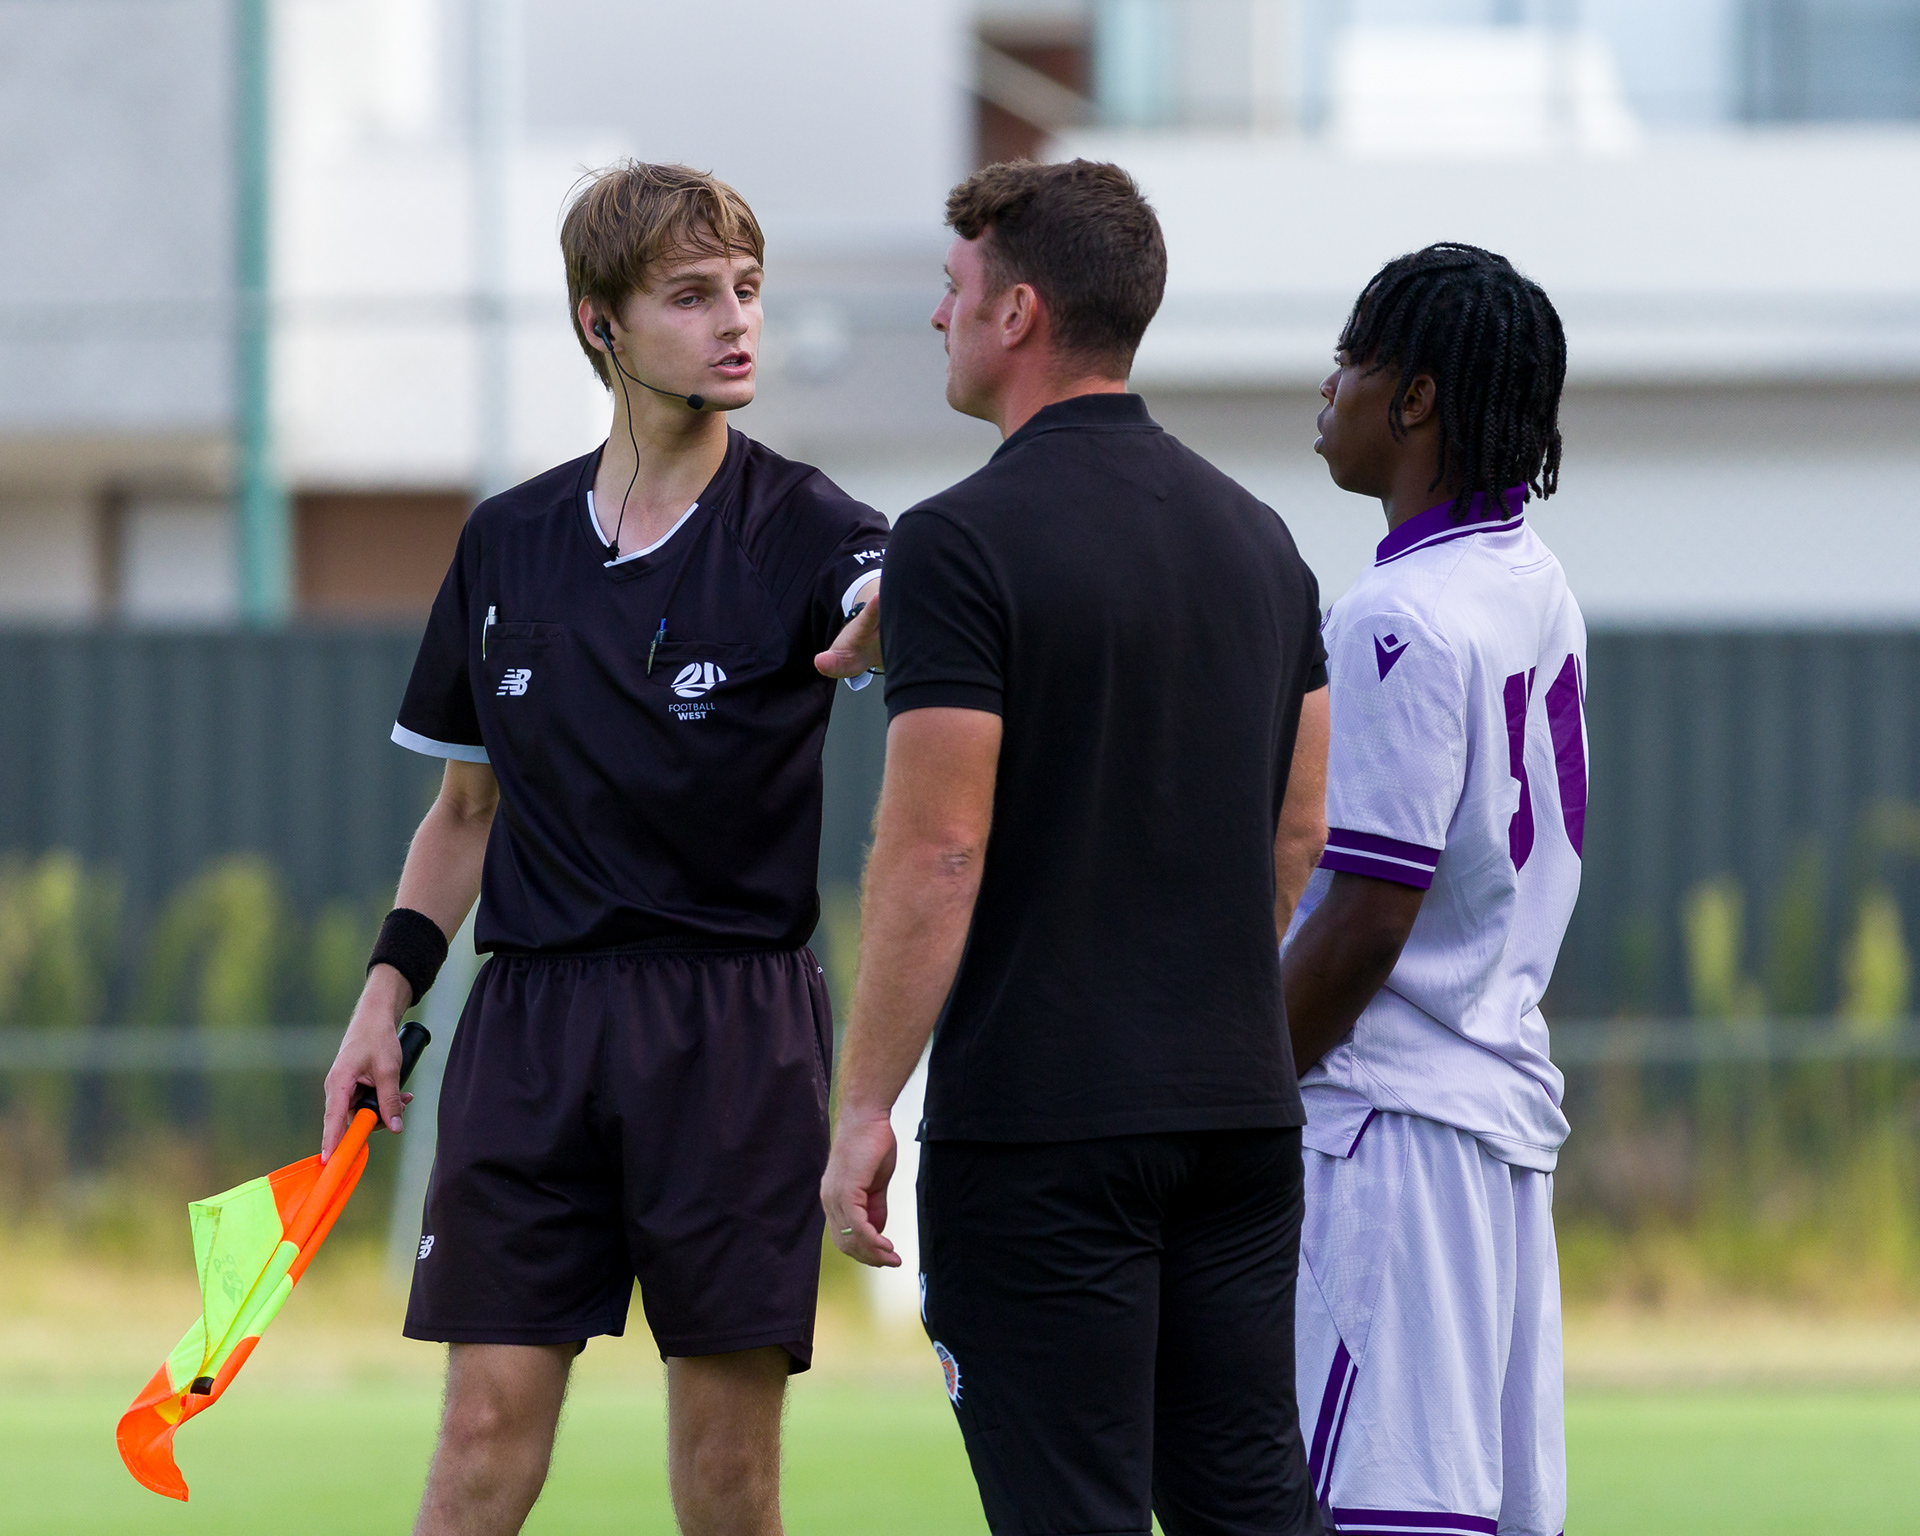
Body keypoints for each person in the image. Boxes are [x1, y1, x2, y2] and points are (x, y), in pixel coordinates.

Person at [320, 161, 888, 1536]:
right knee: (479, 1437)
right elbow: (465, 814)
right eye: (692, 296)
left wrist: (906, 595)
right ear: (601, 322)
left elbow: (895, 581)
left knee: (728, 1475)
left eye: (747, 288)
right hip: (529, 1029)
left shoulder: (813, 525)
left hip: (732, 1031)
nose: (735, 320)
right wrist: (384, 998)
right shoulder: (507, 540)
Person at [820, 158, 1332, 1536]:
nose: (940, 317)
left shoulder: (957, 544)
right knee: (1250, 1506)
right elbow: (1302, 827)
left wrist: (864, 1107)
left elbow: (938, 851)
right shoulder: (1265, 543)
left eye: (954, 290)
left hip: (1043, 1130)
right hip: (1238, 1117)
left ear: (1019, 313)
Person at [1281, 243, 1584, 1536]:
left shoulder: (1393, 614)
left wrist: (1236, 1090)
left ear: (1413, 399)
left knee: (1378, 1516)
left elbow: (1367, 916)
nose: (1328, 387)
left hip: (1392, 1136)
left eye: (1350, 360)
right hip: (1499, 1116)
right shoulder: (1535, 576)